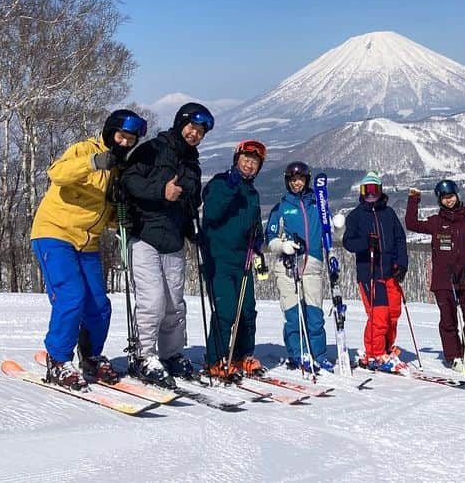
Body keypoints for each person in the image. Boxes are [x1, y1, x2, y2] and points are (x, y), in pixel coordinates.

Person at [30, 109, 147, 390]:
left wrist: (120, 218)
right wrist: (94, 162)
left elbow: (101, 211)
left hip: (88, 241)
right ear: (110, 133)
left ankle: (91, 356)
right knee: (71, 297)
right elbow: (57, 174)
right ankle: (58, 360)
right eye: (121, 136)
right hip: (54, 233)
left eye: (131, 140)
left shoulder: (118, 170)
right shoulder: (85, 150)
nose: (125, 143)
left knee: (99, 304)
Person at [119, 102, 212, 387]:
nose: (195, 134)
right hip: (145, 236)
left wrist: (192, 229)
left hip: (173, 239)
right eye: (192, 128)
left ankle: (171, 354)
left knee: (174, 305)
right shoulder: (152, 150)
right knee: (153, 301)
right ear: (180, 123)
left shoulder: (192, 163)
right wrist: (162, 191)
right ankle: (143, 355)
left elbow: (188, 201)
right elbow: (129, 183)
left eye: (200, 132)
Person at [405, 179, 465, 371]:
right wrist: (413, 199)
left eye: (450, 196)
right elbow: (411, 223)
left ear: (457, 195)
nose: (448, 201)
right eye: (444, 198)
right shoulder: (436, 222)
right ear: (439, 200)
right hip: (444, 280)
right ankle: (454, 356)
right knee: (448, 319)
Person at [201, 139, 266, 377]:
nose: (249, 166)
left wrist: (257, 238)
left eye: (254, 163)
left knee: (247, 310)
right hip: (219, 258)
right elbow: (213, 213)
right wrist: (230, 186)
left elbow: (255, 221)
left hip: (244, 259)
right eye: (246, 160)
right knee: (226, 310)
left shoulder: (252, 193)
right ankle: (216, 357)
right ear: (236, 159)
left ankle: (241, 355)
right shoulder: (219, 184)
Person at [265, 161, 339, 373]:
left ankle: (319, 354)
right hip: (287, 266)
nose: (296, 183)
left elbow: (330, 232)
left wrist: (339, 228)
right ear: (287, 182)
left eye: (300, 179)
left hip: (313, 264)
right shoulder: (281, 208)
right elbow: (269, 238)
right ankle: (298, 353)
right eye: (292, 180)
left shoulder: (317, 204)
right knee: (294, 313)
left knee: (315, 313)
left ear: (306, 180)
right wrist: (283, 245)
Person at [342, 171, 408, 373]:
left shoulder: (388, 213)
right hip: (369, 273)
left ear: (380, 191)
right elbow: (347, 242)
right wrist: (365, 243)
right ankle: (374, 353)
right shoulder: (356, 216)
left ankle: (386, 347)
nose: (370, 194)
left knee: (394, 313)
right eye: (366, 190)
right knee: (379, 315)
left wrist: (401, 264)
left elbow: (399, 239)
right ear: (361, 192)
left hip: (390, 271)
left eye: (374, 189)